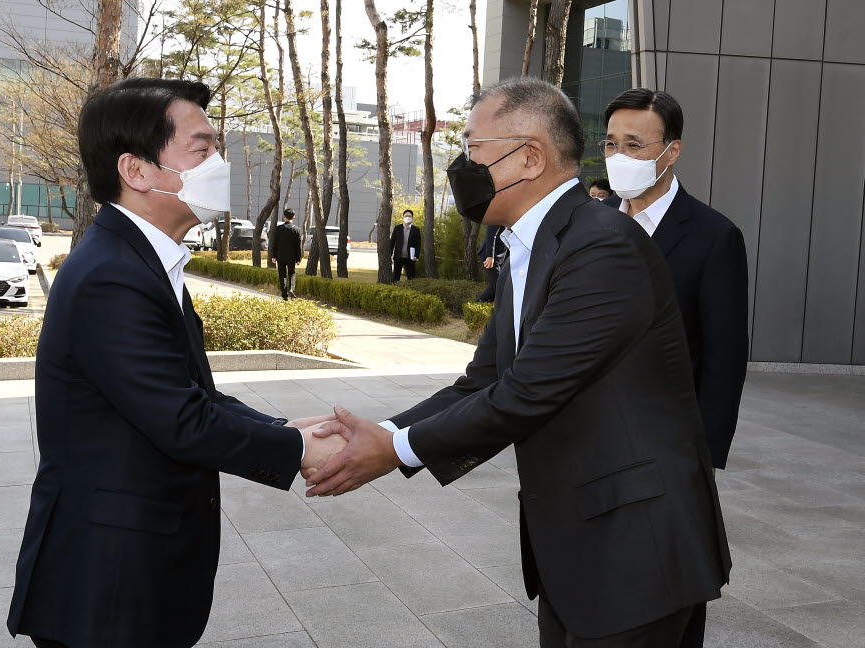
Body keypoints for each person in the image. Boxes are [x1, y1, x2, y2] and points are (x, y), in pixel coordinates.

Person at [304, 77, 731, 648]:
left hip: (636, 547)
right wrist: (382, 431)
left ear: (529, 157)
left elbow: (526, 392)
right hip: (578, 547)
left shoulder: (601, 245)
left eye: (474, 149)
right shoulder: (531, 244)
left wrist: (393, 451)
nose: (463, 165)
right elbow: (482, 382)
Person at [6, 78, 345, 648]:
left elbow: (187, 391)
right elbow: (182, 420)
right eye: (202, 149)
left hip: (130, 574)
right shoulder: (113, 275)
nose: (220, 163)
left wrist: (279, 427)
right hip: (106, 585)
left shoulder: (139, 258)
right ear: (137, 172)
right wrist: (302, 451)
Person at [601, 87, 749, 648]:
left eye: (635, 144)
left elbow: (725, 356)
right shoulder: (589, 226)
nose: (619, 157)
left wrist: (702, 460)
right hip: (590, 443)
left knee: (672, 587)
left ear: (672, 151)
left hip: (669, 450)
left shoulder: (713, 237)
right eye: (611, 143)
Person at [269, 207, 301, 299]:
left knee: (282, 274)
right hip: (292, 256)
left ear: (284, 217)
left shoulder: (278, 229)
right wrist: (298, 258)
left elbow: (275, 243)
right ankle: (291, 289)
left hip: (280, 256)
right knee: (292, 273)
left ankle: (284, 295)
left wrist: (273, 256)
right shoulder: (297, 230)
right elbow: (298, 246)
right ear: (293, 217)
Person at [475, 224, 506, 302]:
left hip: (500, 257)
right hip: (490, 257)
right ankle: (475, 306)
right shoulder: (497, 215)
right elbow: (491, 235)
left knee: (497, 287)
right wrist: (490, 256)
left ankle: (486, 309)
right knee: (497, 286)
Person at [390, 209, 421, 280]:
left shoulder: (416, 230)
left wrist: (416, 256)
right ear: (403, 217)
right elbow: (392, 242)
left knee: (411, 277)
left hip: (410, 258)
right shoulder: (397, 228)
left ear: (412, 218)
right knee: (396, 277)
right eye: (406, 216)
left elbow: (418, 244)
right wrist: (390, 253)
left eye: (409, 216)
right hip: (398, 257)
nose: (408, 217)